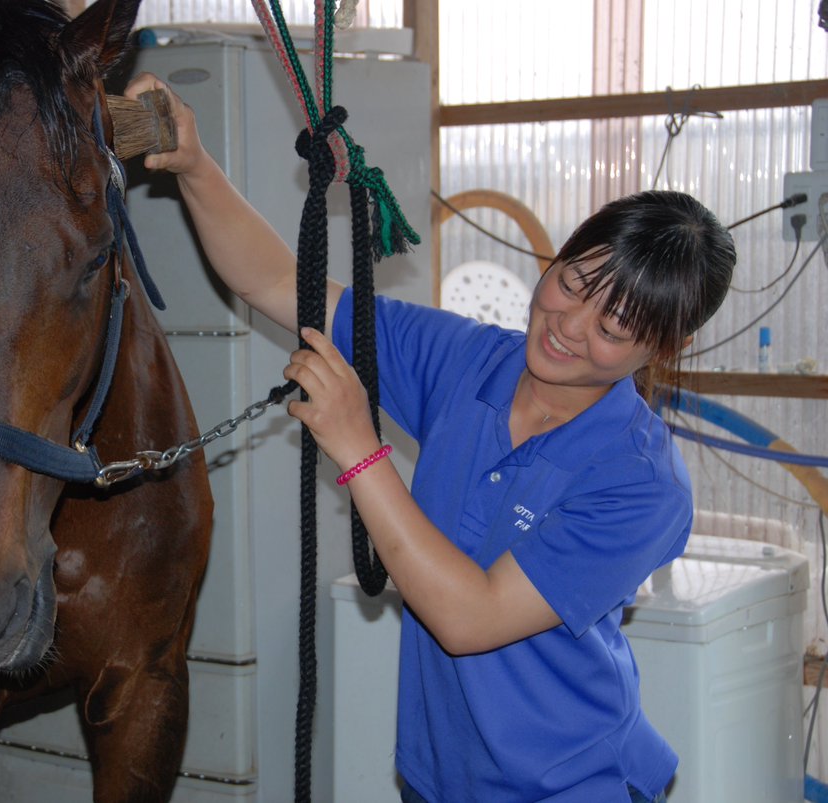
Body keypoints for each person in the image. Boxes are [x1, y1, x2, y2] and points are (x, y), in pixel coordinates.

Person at [123, 73, 736, 803]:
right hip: (438, 776)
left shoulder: (641, 483)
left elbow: (468, 617)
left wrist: (361, 450)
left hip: (570, 784)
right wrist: (195, 164)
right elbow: (280, 285)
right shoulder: (471, 360)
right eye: (572, 282)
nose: (569, 327)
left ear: (660, 349)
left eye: (612, 327)